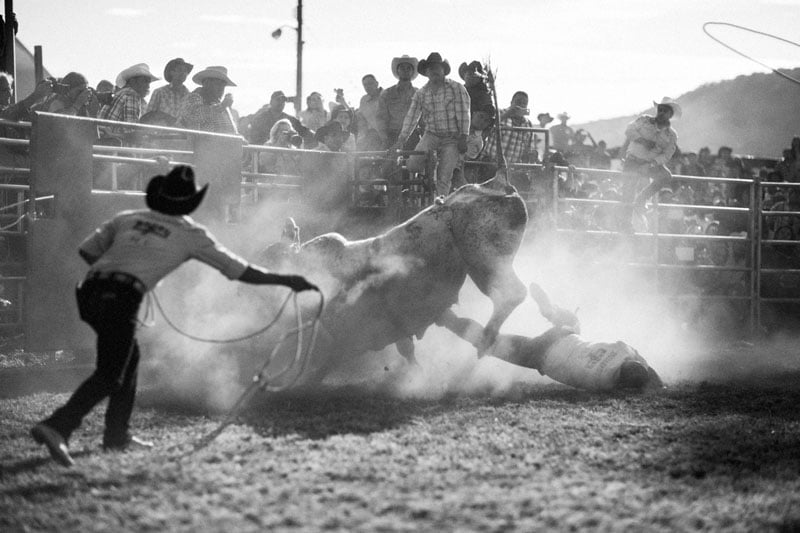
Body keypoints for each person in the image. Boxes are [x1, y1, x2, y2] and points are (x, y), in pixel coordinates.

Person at [29, 165, 318, 467]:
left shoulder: (126, 218)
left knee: (129, 359)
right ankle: (58, 426)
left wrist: (125, 269)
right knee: (110, 373)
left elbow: (87, 251)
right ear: (188, 203)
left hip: (89, 293)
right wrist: (289, 281)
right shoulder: (189, 233)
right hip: (121, 298)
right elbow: (240, 271)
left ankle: (116, 435)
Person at [393, 52, 471, 196]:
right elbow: (411, 117)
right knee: (412, 164)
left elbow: (464, 113)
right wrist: (401, 139)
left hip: (452, 138)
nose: (434, 71)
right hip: (431, 135)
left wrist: (464, 136)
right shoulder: (421, 93)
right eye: (430, 68)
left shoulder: (457, 88)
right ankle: (427, 177)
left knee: (444, 176)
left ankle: (439, 205)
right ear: (426, 72)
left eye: (437, 67)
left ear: (443, 70)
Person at [617, 97, 681, 231]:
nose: (661, 112)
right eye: (660, 109)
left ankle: (642, 199)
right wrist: (642, 140)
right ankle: (625, 225)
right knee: (628, 191)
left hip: (650, 164)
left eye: (665, 110)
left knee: (666, 176)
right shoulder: (644, 120)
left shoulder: (671, 135)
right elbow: (629, 131)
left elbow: (667, 154)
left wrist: (652, 164)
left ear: (670, 114)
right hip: (633, 160)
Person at [176, 65, 238, 134]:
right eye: (218, 84)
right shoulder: (193, 97)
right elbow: (195, 115)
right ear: (207, 83)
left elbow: (232, 131)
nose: (221, 89)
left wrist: (240, 139)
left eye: (223, 85)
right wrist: (222, 106)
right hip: (199, 143)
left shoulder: (219, 104)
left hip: (220, 143)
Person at [484, 91, 536, 167]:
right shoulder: (499, 113)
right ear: (511, 102)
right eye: (518, 102)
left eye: (524, 104)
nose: (521, 105)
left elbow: (529, 147)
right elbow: (487, 128)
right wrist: (507, 114)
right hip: (491, 164)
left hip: (512, 168)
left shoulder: (528, 124)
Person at [376, 55, 418, 149]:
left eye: (408, 68)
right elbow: (381, 118)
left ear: (412, 71)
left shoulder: (418, 94)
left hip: (413, 136)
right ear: (397, 70)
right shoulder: (386, 94)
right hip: (392, 135)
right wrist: (385, 139)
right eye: (402, 68)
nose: (405, 70)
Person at [242, 90, 307, 146]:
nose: (281, 103)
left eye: (283, 101)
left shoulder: (291, 120)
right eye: (278, 99)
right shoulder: (260, 118)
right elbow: (253, 139)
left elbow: (305, 132)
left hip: (284, 154)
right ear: (271, 102)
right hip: (264, 152)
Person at [145, 58, 193, 125]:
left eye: (185, 71)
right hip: (160, 134)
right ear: (171, 72)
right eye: (179, 70)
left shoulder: (190, 97)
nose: (183, 73)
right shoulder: (160, 92)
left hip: (181, 134)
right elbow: (148, 117)